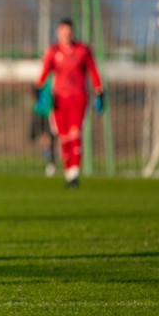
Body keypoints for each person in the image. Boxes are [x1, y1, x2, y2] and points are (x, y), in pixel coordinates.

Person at [34, 18, 103, 188]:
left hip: (78, 97)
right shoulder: (53, 51)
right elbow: (44, 71)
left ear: (73, 32)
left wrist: (99, 91)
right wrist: (38, 89)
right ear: (58, 32)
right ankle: (69, 173)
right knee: (63, 136)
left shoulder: (82, 50)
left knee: (75, 133)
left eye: (69, 31)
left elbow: (93, 71)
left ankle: (75, 172)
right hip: (58, 99)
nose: (66, 34)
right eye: (63, 31)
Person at [30, 74, 57, 177]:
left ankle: (51, 161)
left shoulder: (55, 78)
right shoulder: (43, 77)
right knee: (41, 134)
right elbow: (35, 88)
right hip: (40, 110)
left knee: (52, 136)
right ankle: (49, 156)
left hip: (50, 112)